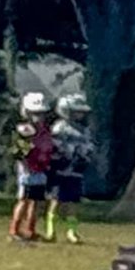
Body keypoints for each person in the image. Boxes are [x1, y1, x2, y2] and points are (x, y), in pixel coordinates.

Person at [44, 93, 93, 244]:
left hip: (76, 170)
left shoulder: (83, 130)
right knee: (56, 200)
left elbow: (89, 145)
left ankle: (71, 231)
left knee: (72, 202)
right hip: (60, 170)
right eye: (77, 111)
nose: (80, 115)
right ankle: (50, 230)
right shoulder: (60, 128)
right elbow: (54, 147)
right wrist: (63, 154)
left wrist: (85, 155)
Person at [6, 92, 53, 244]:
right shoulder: (24, 130)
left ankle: (30, 230)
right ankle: (14, 230)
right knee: (24, 200)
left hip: (41, 169)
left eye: (41, 114)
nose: (39, 117)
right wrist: (27, 165)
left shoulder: (45, 130)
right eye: (35, 113)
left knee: (37, 201)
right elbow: (18, 152)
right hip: (28, 171)